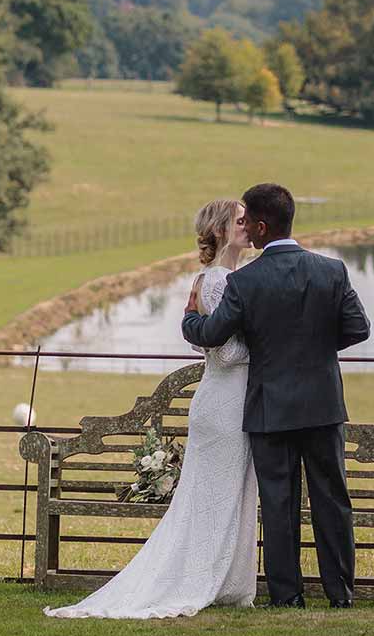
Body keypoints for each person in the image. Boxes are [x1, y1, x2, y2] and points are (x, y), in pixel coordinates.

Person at [44, 199, 260, 619]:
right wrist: (270, 345)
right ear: (219, 230)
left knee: (230, 494)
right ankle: (198, 579)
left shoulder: (224, 279)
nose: (248, 226)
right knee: (212, 497)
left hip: (232, 400)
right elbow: (226, 353)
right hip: (225, 404)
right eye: (240, 221)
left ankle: (226, 582)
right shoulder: (216, 281)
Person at [182, 182, 371, 608]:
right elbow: (359, 328)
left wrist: (188, 318)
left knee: (279, 502)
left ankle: (287, 597)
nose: (245, 226)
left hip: (270, 407)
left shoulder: (245, 281)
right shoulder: (332, 270)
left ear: (263, 227)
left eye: (248, 220)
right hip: (323, 404)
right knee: (332, 500)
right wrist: (315, 349)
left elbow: (212, 334)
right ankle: (341, 594)